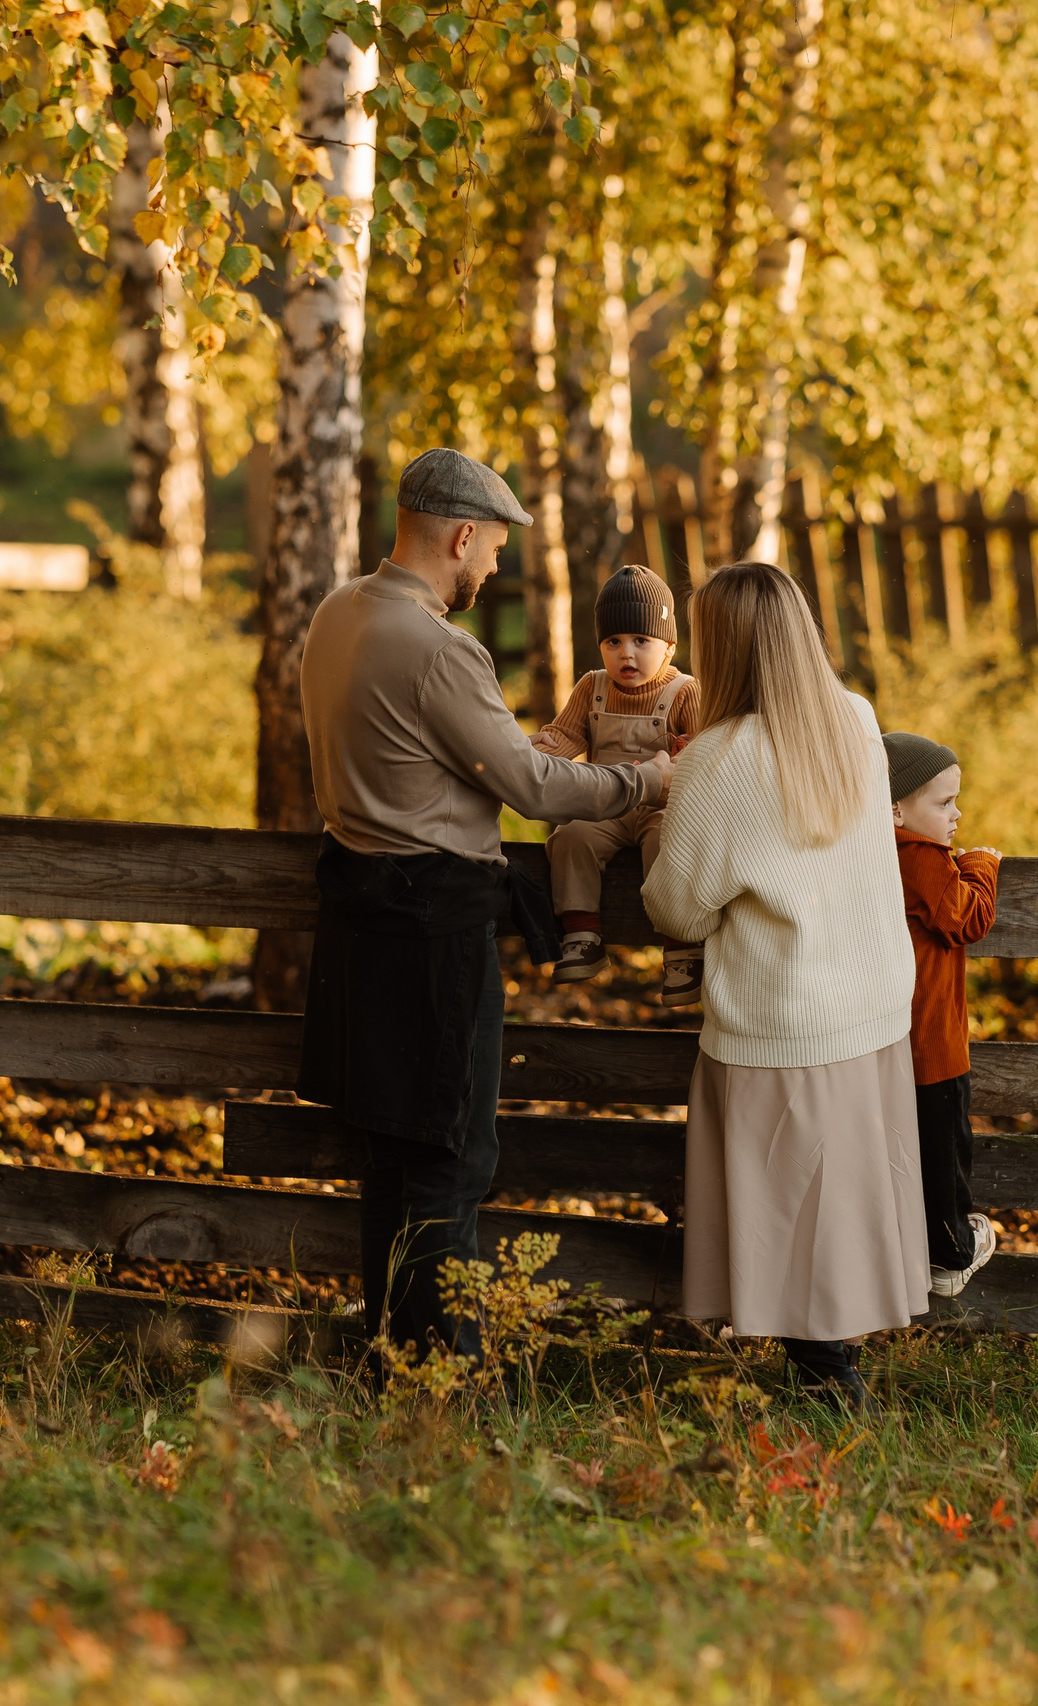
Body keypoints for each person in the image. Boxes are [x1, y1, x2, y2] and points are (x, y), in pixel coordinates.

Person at [295, 447, 673, 1363]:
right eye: (495, 548)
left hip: (356, 912)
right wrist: (645, 780)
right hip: (432, 928)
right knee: (449, 1157)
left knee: (389, 1147)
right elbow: (533, 786)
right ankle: (442, 1374)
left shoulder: (337, 612)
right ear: (462, 536)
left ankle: (389, 1347)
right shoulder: (439, 650)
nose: (495, 566)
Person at [643, 562, 923, 1412]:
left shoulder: (718, 762)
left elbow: (678, 909)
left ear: (720, 648)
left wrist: (657, 832)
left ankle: (829, 1382)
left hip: (783, 1017)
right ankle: (830, 1369)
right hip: (870, 1004)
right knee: (836, 1200)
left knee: (793, 1203)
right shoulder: (854, 721)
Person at [529, 564, 705, 1006]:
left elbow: (707, 750)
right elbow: (567, 734)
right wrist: (534, 756)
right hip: (604, 807)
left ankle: (681, 946)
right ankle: (583, 932)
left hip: (661, 808)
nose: (626, 654)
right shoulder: (593, 687)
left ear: (668, 646)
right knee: (570, 837)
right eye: (613, 642)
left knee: (668, 842)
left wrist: (686, 752)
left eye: (641, 641)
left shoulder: (685, 692)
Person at [884, 732, 1002, 1297]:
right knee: (945, 1143)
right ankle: (952, 1252)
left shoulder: (874, 853)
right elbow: (965, 920)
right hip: (932, 1040)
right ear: (896, 807)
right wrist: (980, 865)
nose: (957, 815)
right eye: (944, 803)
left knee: (908, 1147)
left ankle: (917, 1247)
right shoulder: (923, 858)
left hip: (885, 1039)